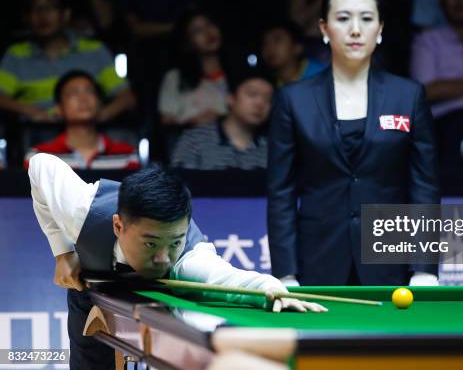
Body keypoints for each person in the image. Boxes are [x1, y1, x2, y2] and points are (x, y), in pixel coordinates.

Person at [28, 153, 326, 369]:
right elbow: (41, 165)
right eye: (150, 243)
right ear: (119, 226)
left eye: (175, 242)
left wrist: (273, 290)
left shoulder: (189, 259)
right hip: (92, 289)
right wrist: (63, 251)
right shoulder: (83, 211)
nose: (163, 257)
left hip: (162, 300)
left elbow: (228, 278)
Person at [267, 0, 440, 287]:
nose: (355, 30)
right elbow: (281, 193)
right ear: (324, 28)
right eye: (343, 18)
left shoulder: (409, 96)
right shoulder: (293, 99)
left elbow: (423, 188)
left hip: (391, 259)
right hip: (317, 259)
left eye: (367, 18)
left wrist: (424, 267)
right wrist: (285, 272)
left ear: (381, 28)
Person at [0, 0, 135, 122]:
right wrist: (31, 111)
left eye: (50, 7)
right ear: (26, 18)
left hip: (86, 134)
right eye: (35, 9)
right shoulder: (16, 54)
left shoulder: (94, 50)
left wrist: (96, 117)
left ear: (65, 15)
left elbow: (126, 97)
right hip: (35, 133)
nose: (42, 15)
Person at [24, 70, 140, 170]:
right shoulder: (37, 157)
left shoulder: (127, 155)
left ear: (100, 104)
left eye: (90, 91)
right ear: (59, 108)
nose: (83, 99)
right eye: (73, 93)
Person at [171, 65, 273, 170]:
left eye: (268, 99)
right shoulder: (194, 141)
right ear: (231, 98)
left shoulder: (272, 149)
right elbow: (178, 184)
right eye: (252, 94)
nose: (260, 103)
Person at [158, 9, 229, 126]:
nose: (208, 32)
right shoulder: (175, 78)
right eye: (197, 30)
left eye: (210, 24)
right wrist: (194, 122)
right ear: (187, 42)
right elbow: (167, 121)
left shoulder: (238, 72)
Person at [261, 19, 325, 87]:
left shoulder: (320, 74)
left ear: (297, 47)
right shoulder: (268, 87)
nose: (269, 47)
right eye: (265, 43)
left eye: (277, 40)